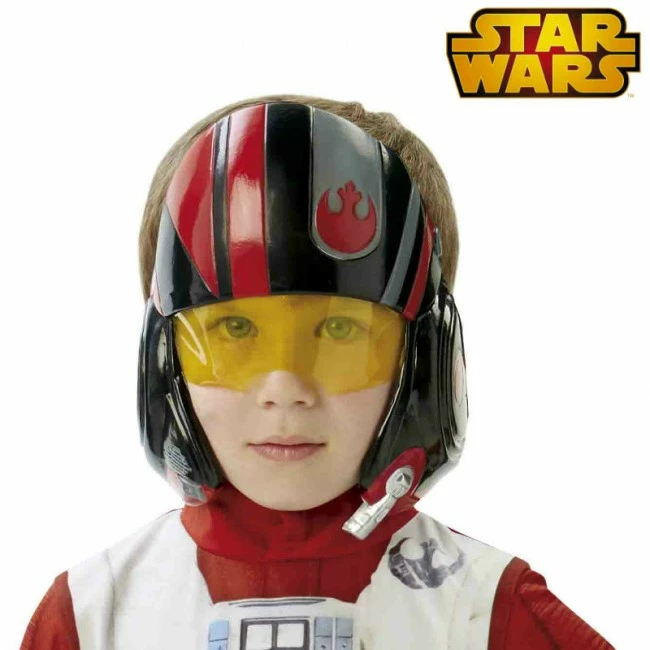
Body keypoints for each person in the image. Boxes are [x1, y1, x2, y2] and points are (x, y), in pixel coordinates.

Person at [20, 94, 614, 650]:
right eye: (235, 329)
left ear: (425, 363)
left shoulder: (482, 611)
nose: (286, 390)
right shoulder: (94, 615)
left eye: (339, 331)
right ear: (164, 360)